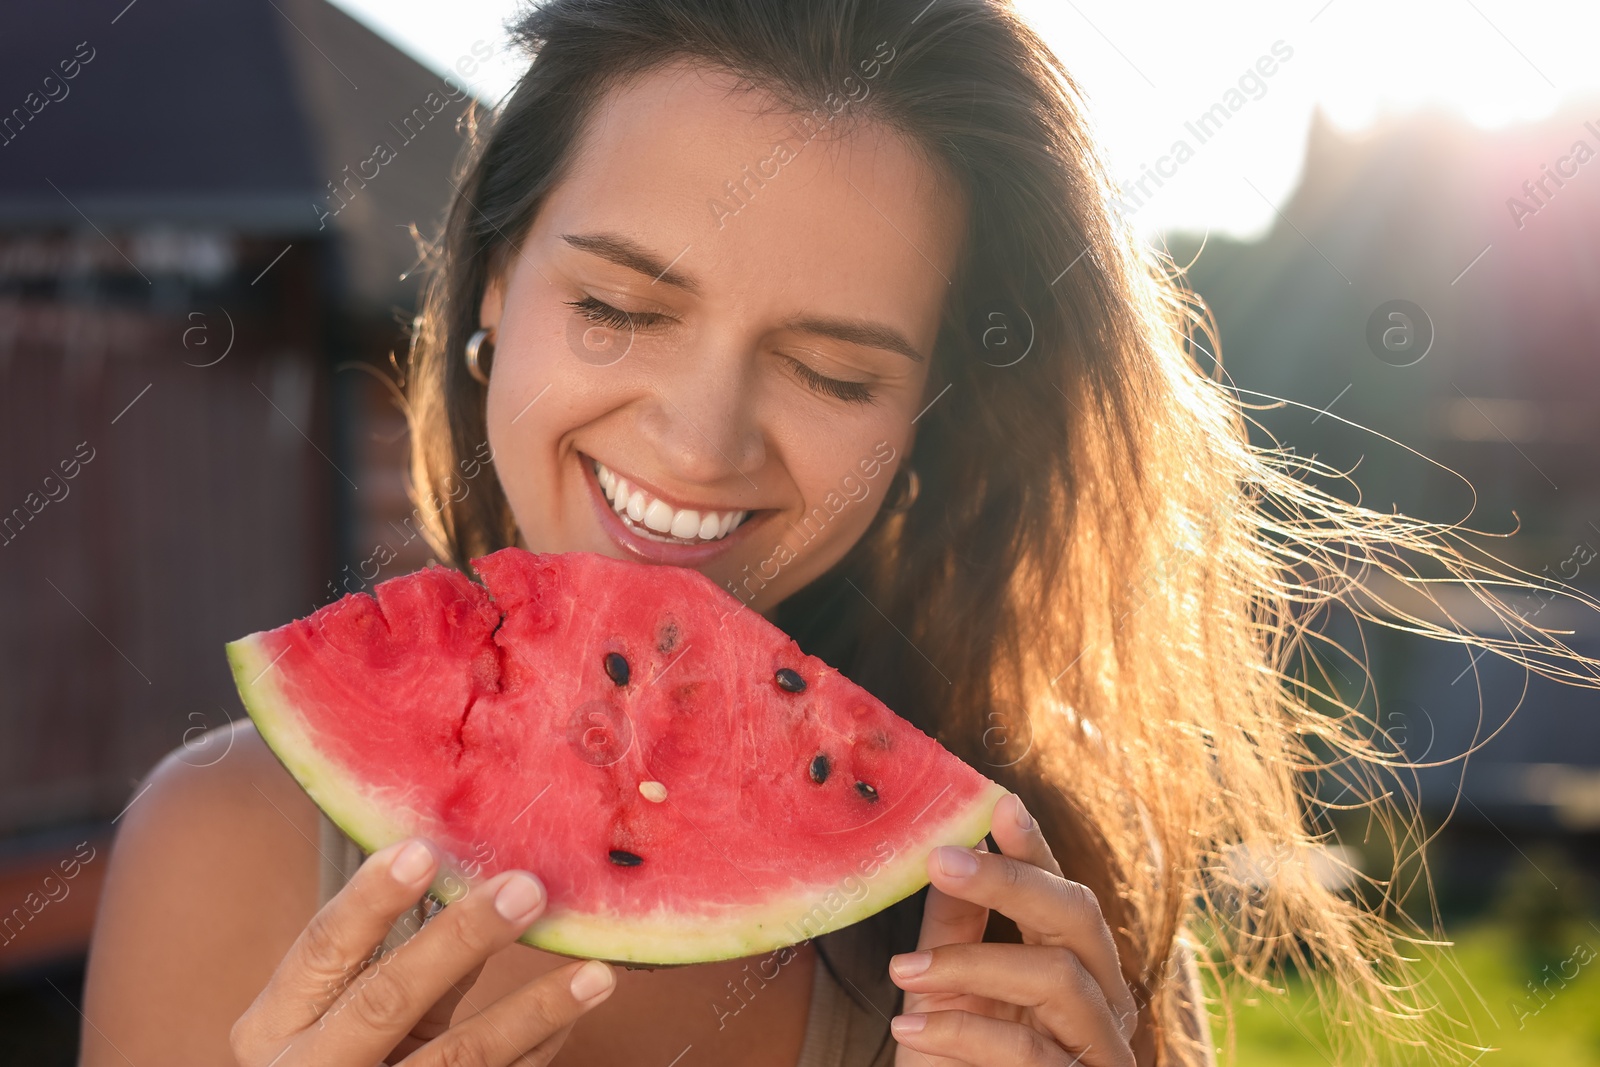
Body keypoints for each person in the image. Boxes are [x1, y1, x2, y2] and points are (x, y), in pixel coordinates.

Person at [78, 1, 1600, 1065]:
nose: (699, 438)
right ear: (491, 290)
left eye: (832, 371)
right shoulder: (228, 859)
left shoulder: (1026, 888)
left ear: (929, 407)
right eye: (617, 306)